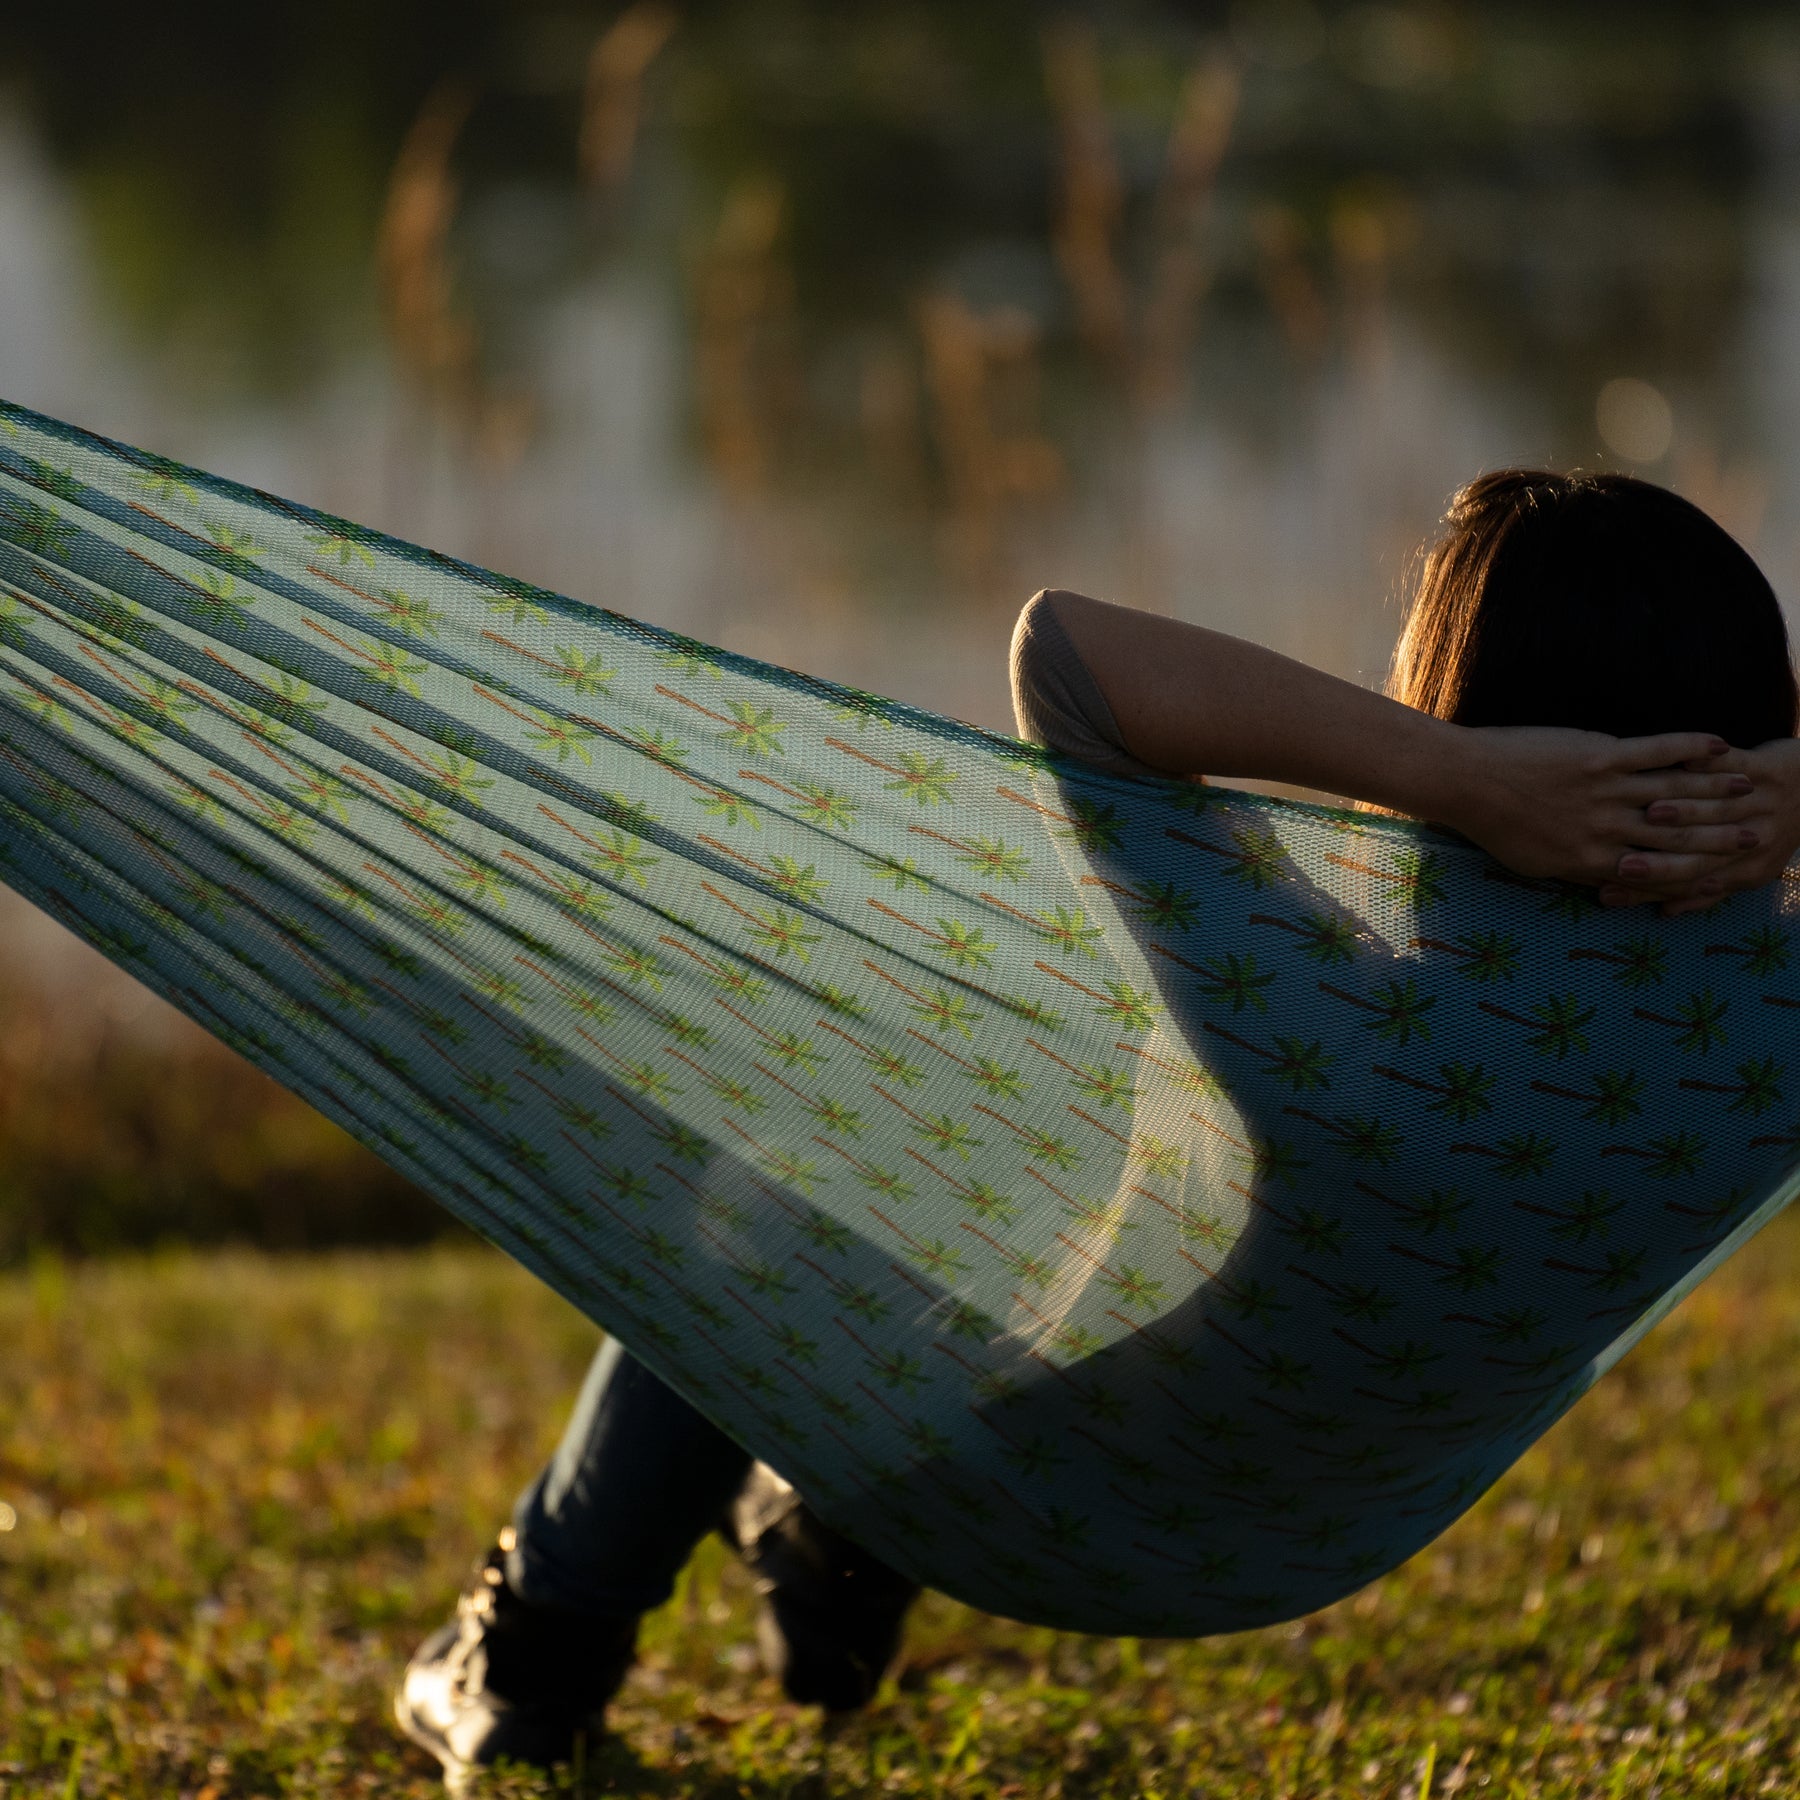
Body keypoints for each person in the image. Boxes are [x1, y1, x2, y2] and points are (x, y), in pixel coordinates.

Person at [395, 468, 1800, 1790]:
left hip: (1021, 1491)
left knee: (747, 1194)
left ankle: (531, 1658)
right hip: (1307, 1544)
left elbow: (1063, 654)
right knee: (988, 1159)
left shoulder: (1326, 1020)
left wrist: (1458, 777)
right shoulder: (1763, 1052)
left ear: (1469, 705)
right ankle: (822, 1542)